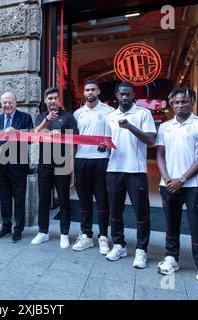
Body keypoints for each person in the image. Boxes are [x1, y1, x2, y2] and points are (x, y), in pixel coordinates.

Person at [155, 87, 198, 293]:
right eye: (176, 102)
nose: (180, 105)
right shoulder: (165, 127)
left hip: (194, 186)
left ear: (191, 101)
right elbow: (160, 154)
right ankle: (171, 258)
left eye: (184, 101)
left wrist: (181, 179)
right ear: (171, 104)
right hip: (169, 185)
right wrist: (166, 179)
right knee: (171, 224)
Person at [101, 81, 156, 269]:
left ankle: (141, 250)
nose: (125, 97)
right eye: (121, 94)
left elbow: (150, 140)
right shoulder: (110, 116)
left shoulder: (143, 114)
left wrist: (130, 127)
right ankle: (119, 245)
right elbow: (108, 142)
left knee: (141, 212)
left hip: (136, 170)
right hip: (114, 169)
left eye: (128, 94)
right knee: (115, 211)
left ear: (134, 96)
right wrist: (103, 147)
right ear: (116, 95)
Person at [30, 87, 77, 249]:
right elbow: (34, 135)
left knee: (64, 201)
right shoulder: (41, 117)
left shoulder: (68, 117)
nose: (52, 101)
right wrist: (47, 121)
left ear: (59, 100)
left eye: (55, 98)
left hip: (62, 164)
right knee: (43, 200)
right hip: (44, 164)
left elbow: (73, 143)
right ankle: (43, 232)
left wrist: (72, 169)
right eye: (49, 98)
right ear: (45, 101)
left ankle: (64, 234)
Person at [71, 80, 114, 254]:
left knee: (103, 200)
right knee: (84, 201)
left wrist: (107, 144)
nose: (90, 92)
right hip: (82, 160)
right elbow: (73, 141)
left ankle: (103, 236)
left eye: (93, 90)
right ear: (84, 92)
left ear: (99, 91)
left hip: (101, 160)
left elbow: (112, 137)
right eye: (87, 89)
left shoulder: (108, 112)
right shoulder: (77, 113)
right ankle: (86, 235)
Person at [0, 91, 34, 243]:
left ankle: (18, 229)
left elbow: (30, 139)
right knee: (4, 198)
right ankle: (5, 226)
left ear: (16, 103)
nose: (7, 105)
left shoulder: (25, 118)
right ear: (1, 104)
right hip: (1, 165)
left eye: (10, 102)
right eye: (4, 103)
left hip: (18, 165)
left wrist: (15, 132)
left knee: (19, 199)